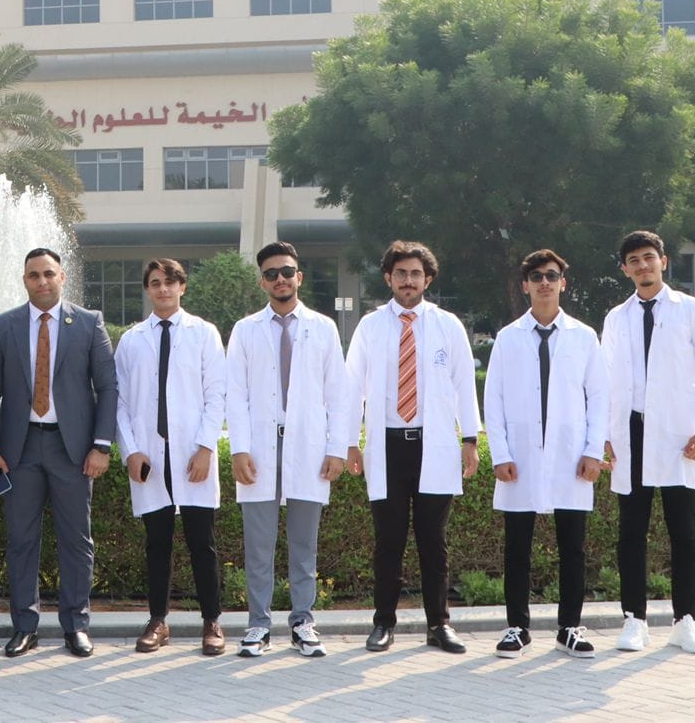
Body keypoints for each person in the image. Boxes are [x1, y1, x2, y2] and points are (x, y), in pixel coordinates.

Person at [0, 248, 117, 658]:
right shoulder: (3, 325)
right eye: (34, 275)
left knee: (76, 540)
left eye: (49, 274)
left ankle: (76, 626)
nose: (42, 281)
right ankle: (25, 626)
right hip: (18, 450)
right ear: (24, 280)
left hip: (71, 449)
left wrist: (101, 445)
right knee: (21, 539)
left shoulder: (89, 322)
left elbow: (107, 387)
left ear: (62, 276)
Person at [346, 240, 480, 654]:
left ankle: (439, 624)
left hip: (433, 445)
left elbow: (464, 384)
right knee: (388, 542)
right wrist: (349, 441)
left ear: (428, 279)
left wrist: (470, 439)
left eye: (416, 274)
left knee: (433, 542)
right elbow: (352, 387)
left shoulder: (447, 325)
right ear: (389, 278)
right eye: (401, 273)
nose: (408, 281)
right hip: (387, 446)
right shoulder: (371, 326)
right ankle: (383, 622)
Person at [600, 230, 695, 655]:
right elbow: (604, 380)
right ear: (625, 269)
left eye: (648, 257)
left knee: (684, 532)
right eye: (634, 260)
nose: (643, 266)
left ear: (663, 262)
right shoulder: (616, 318)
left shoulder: (692, 311)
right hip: (630, 433)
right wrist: (604, 434)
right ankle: (634, 620)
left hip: (679, 435)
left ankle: (685, 620)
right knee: (631, 532)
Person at [226, 242, 353, 659]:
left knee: (304, 544)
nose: (280, 279)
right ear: (262, 281)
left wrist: (336, 448)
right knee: (258, 544)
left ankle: (303, 622)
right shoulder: (246, 330)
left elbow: (338, 393)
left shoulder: (323, 327)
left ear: (299, 276)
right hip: (260, 448)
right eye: (271, 274)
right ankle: (258, 625)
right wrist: (239, 448)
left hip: (308, 446)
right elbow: (236, 395)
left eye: (286, 272)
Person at [483, 251, 608, 660]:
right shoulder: (508, 337)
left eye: (551, 276)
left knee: (573, 548)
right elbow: (494, 399)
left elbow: (599, 398)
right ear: (525, 285)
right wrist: (500, 453)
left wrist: (593, 451)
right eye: (536, 277)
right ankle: (517, 628)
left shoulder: (583, 337)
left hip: (570, 457)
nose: (544, 283)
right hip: (520, 457)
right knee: (517, 548)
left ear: (563, 284)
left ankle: (569, 627)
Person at [116, 259, 227, 656]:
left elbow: (217, 394)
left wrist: (205, 447)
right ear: (147, 289)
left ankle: (212, 621)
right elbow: (120, 402)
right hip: (149, 454)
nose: (163, 289)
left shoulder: (204, 333)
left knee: (202, 543)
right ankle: (158, 621)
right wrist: (130, 450)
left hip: (192, 453)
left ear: (183, 287)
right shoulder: (131, 340)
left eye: (170, 282)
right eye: (155, 283)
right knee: (157, 543)